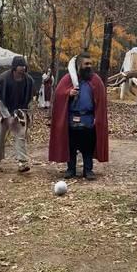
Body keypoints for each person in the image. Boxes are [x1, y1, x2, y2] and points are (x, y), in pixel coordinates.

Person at [49, 51, 108, 180]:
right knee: (71, 146)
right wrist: (68, 93)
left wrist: (97, 118)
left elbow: (101, 100)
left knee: (88, 147)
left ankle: (88, 170)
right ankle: (71, 169)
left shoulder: (95, 80)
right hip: (71, 119)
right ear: (79, 65)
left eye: (90, 64)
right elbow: (58, 95)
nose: (89, 66)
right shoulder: (67, 79)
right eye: (86, 64)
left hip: (88, 119)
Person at [0, 56, 34, 172]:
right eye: (21, 66)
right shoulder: (4, 78)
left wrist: (23, 114)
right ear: (15, 67)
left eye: (24, 66)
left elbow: (29, 99)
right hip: (2, 110)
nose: (23, 68)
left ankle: (22, 162)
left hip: (19, 112)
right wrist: (7, 116)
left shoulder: (28, 80)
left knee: (20, 135)